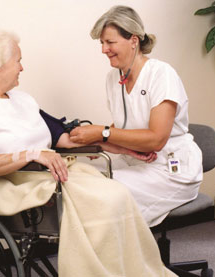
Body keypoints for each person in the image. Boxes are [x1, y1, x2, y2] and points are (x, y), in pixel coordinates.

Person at [0, 28, 175, 276]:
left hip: (49, 176)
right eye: (18, 61)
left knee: (117, 194)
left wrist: (126, 149)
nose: (22, 68)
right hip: (11, 184)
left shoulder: (23, 100)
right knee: (104, 203)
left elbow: (65, 136)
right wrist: (31, 154)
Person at [69, 5, 203, 227]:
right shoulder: (113, 78)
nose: (104, 49)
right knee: (79, 176)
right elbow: (123, 126)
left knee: (102, 190)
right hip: (135, 161)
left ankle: (123, 258)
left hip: (170, 170)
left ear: (133, 40)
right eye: (101, 43)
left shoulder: (161, 74)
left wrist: (102, 132)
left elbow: (156, 139)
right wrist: (96, 142)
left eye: (110, 42)